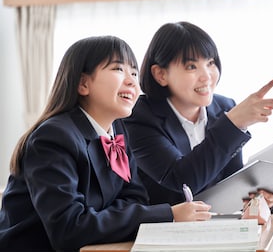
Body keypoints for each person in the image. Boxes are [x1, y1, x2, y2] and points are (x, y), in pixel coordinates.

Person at [0, 35, 211, 251]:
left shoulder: (117, 131)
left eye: (134, 73)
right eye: (118, 69)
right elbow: (69, 229)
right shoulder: (53, 137)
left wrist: (98, 218)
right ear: (83, 83)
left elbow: (136, 199)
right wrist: (169, 214)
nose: (131, 81)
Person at [123, 21, 273, 210]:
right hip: (163, 233)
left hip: (213, 227)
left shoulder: (224, 107)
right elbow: (182, 181)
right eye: (191, 66)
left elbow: (230, 184)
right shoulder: (138, 117)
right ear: (160, 74)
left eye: (210, 63)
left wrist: (258, 200)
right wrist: (233, 124)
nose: (207, 76)